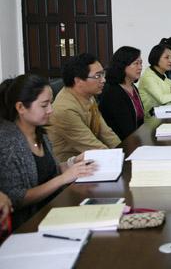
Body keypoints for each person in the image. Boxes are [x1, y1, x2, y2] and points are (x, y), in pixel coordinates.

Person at [0, 74, 95, 229]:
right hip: (30, 223)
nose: (51, 110)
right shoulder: (8, 143)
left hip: (55, 210)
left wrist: (72, 163)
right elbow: (17, 199)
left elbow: (49, 171)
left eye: (51, 103)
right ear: (21, 107)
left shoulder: (39, 132)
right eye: (44, 105)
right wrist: (63, 179)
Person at [46, 53, 121, 162]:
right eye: (97, 76)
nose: (103, 80)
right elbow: (91, 146)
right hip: (70, 166)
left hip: (89, 160)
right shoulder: (65, 109)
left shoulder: (88, 95)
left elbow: (106, 133)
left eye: (103, 74)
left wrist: (124, 151)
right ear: (78, 81)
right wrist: (119, 158)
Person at [99, 46, 144, 140]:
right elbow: (125, 129)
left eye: (141, 63)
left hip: (136, 138)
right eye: (136, 63)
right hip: (120, 142)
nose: (140, 67)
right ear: (122, 65)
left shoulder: (133, 87)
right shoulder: (113, 92)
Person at [138, 44, 171, 117]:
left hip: (164, 112)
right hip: (152, 119)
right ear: (156, 58)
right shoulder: (148, 77)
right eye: (166, 57)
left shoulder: (161, 74)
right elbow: (162, 99)